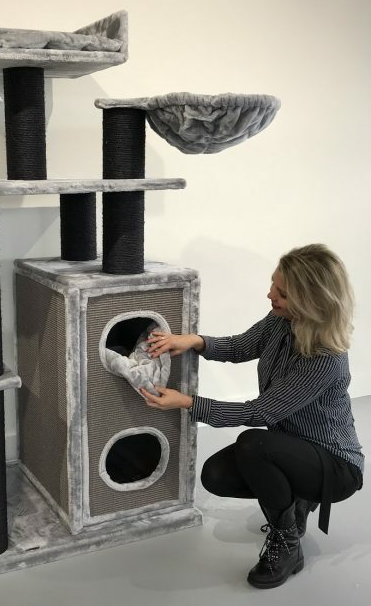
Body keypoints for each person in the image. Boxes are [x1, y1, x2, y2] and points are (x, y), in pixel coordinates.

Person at [140, 244, 364, 589]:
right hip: (291, 445)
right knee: (216, 476)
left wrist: (187, 403)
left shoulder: (325, 359)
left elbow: (259, 412)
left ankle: (287, 543)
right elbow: (241, 346)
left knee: (253, 445)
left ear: (310, 302)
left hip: (334, 465)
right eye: (274, 284)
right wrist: (194, 341)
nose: (270, 294)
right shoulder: (281, 321)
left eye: (282, 293)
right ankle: (296, 502)